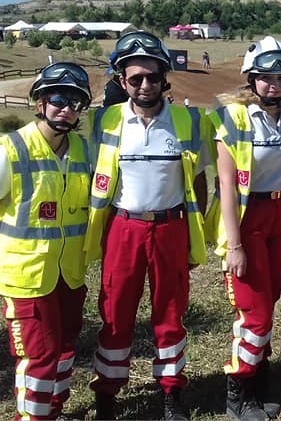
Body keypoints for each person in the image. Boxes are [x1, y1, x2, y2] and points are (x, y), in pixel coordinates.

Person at [85, 31, 209, 421]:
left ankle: (171, 392)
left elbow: (200, 181)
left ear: (164, 78)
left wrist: (195, 232)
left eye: (152, 77)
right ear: (121, 81)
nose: (144, 85)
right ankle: (107, 394)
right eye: (135, 78)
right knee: (115, 313)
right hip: (123, 228)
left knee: (170, 314)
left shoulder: (188, 120)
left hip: (171, 227)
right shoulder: (104, 121)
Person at [0, 62, 93, 420]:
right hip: (27, 276)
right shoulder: (10, 149)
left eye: (75, 102)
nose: (66, 108)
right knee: (40, 355)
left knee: (66, 347)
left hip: (69, 273)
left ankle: (54, 410)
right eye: (58, 99)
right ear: (39, 102)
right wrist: (3, 251)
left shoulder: (82, 150)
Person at [208, 36, 281, 421]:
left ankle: (261, 376)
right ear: (251, 78)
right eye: (265, 77)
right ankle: (238, 390)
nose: (273, 85)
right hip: (249, 219)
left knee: (270, 300)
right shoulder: (233, 118)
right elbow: (226, 185)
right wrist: (234, 245)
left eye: (280, 78)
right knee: (255, 312)